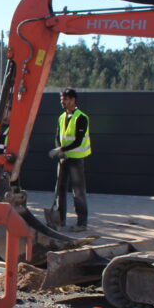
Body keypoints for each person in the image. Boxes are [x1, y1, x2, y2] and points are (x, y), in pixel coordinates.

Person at [49, 87, 91, 232]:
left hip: (76, 159)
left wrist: (61, 150)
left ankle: (82, 222)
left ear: (73, 100)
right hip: (64, 159)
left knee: (78, 191)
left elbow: (78, 141)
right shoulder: (61, 117)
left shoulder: (81, 118)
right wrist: (59, 150)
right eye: (62, 99)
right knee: (60, 189)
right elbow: (58, 136)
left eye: (65, 99)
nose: (63, 102)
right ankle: (60, 220)